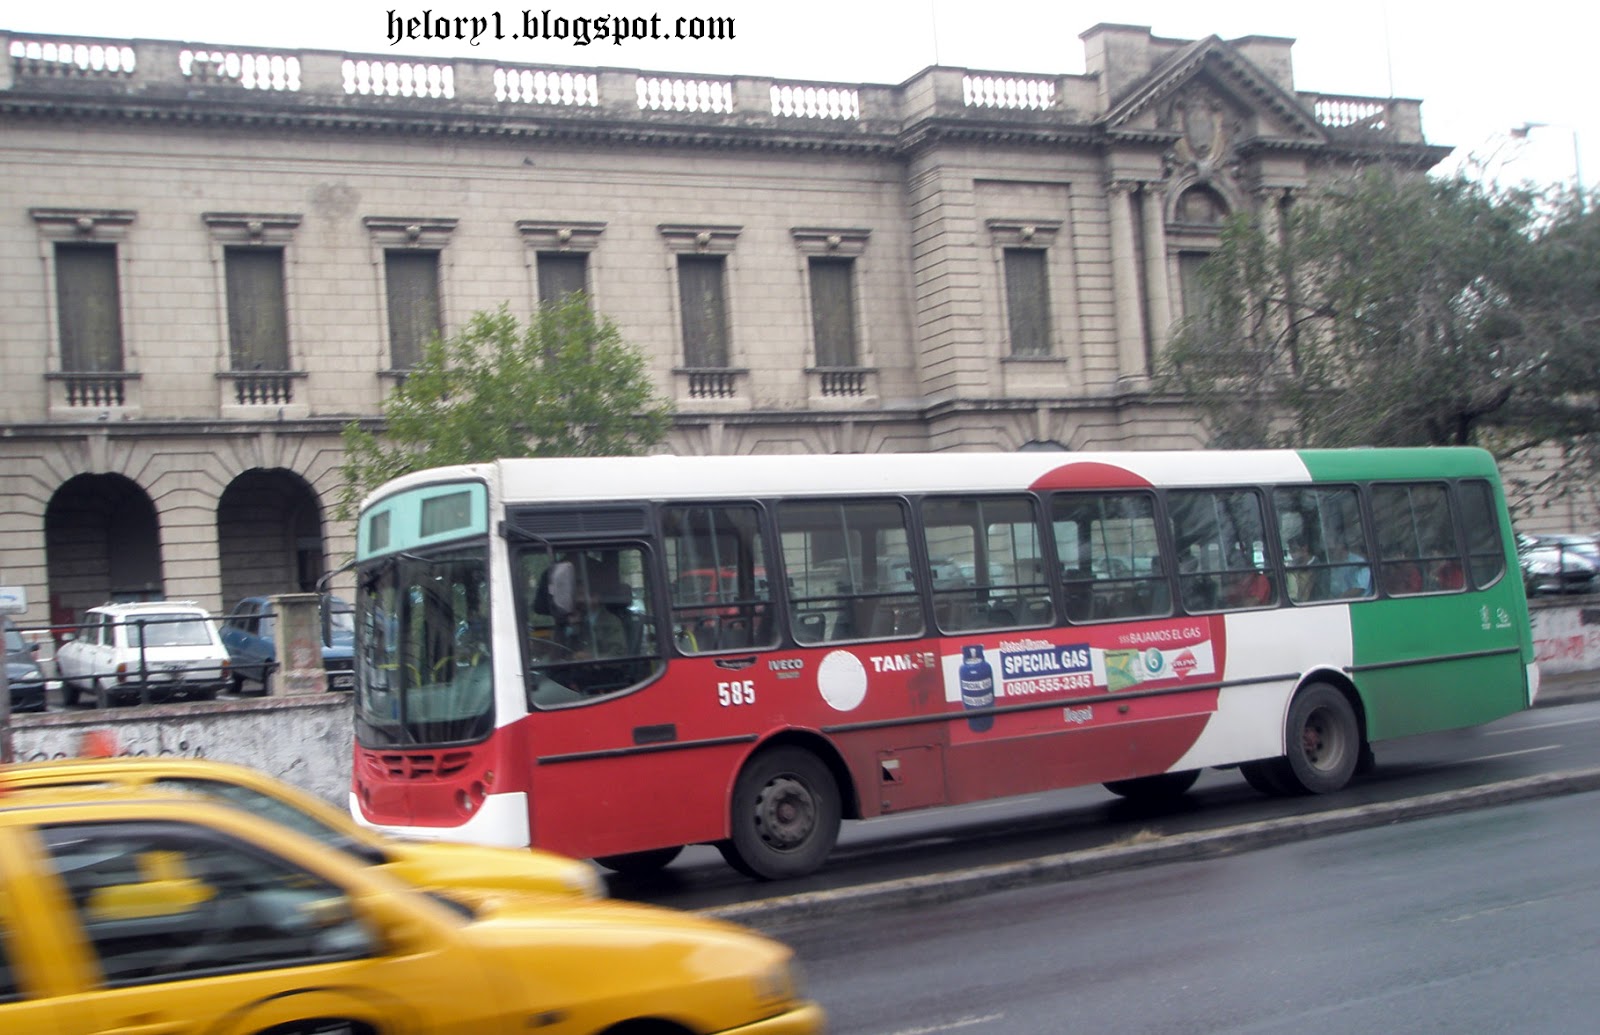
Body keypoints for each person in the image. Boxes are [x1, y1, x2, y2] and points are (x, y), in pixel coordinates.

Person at [1286, 537, 1317, 602]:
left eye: (1294, 550)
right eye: (1290, 551)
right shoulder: (1292, 567)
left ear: (1304, 549)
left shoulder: (1319, 567)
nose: (1292, 555)